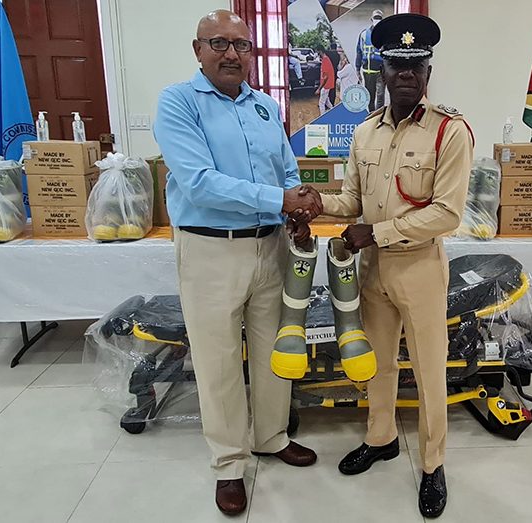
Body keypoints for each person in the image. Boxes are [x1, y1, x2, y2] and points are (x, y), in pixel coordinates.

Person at [302, 13, 474, 518]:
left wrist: (372, 233)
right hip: (373, 270)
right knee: (374, 364)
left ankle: (432, 465)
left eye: (415, 65)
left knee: (427, 373)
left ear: (427, 71)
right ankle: (380, 439)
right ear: (380, 68)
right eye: (396, 64)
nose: (405, 73)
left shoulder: (450, 132)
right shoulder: (365, 133)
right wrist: (316, 203)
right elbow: (352, 199)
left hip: (419, 268)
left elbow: (447, 213)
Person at [153, 9, 320, 517]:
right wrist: (281, 200)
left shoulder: (267, 106)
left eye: (241, 45)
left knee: (275, 348)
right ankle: (228, 464)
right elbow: (199, 181)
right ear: (197, 49)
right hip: (210, 250)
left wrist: (295, 206)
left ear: (252, 52)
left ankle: (270, 436)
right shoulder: (177, 102)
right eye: (219, 43)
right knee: (219, 361)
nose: (231, 53)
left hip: (270, 245)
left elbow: (287, 170)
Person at [356, 9, 385, 112]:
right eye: (376, 18)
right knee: (370, 97)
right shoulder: (363, 34)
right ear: (371, 19)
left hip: (381, 72)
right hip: (367, 71)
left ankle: (379, 117)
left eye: (379, 18)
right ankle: (371, 116)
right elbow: (359, 51)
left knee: (380, 95)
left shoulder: (386, 34)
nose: (377, 20)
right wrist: (357, 68)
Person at [315, 45, 335, 115]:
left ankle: (322, 118)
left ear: (320, 51)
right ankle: (334, 112)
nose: (316, 53)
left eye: (317, 51)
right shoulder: (326, 59)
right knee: (327, 101)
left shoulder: (325, 60)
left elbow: (325, 77)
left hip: (326, 85)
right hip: (328, 84)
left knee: (321, 103)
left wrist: (319, 89)